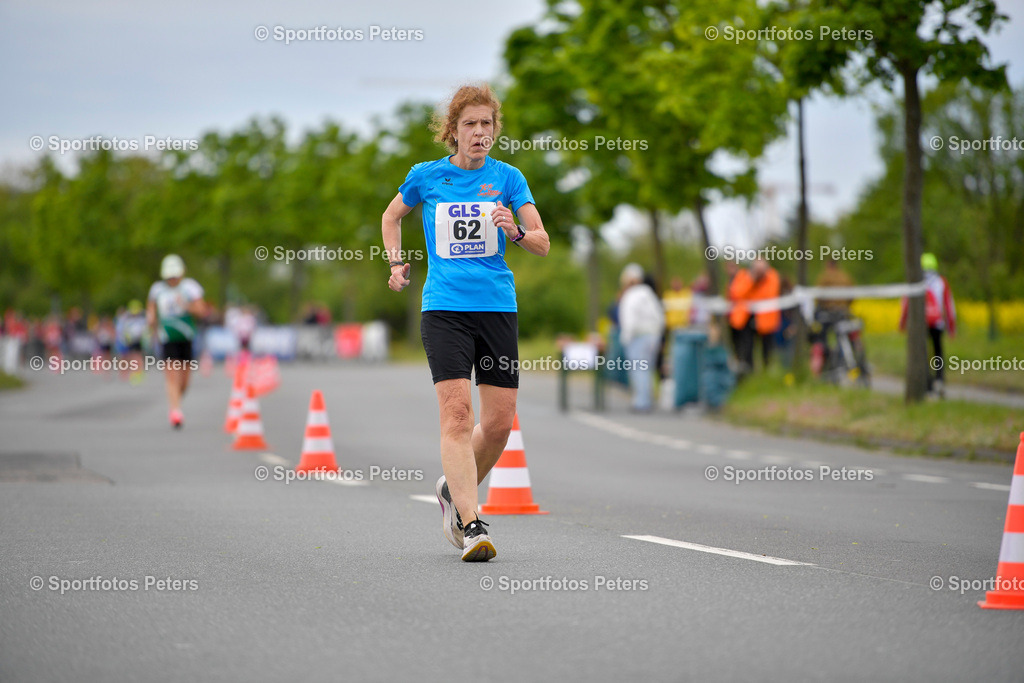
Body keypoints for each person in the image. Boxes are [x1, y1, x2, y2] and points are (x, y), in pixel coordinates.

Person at [381, 84, 550, 562]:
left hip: (497, 307)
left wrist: (514, 230)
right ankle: (471, 523)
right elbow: (391, 217)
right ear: (452, 131)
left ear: (496, 130)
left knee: (498, 425)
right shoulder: (426, 176)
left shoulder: (509, 178)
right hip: (445, 308)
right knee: (458, 415)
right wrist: (395, 264)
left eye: (487, 125)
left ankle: (452, 488)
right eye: (470, 124)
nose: (479, 133)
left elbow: (542, 242)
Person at [147, 254, 208, 428]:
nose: (172, 279)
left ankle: (176, 403)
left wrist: (186, 305)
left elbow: (202, 311)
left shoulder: (190, 288)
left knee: (185, 381)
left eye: (175, 276)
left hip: (186, 336)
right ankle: (175, 410)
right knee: (172, 375)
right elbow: (151, 310)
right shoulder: (157, 290)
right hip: (167, 337)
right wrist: (151, 321)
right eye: (169, 276)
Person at [900, 253, 956, 397]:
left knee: (922, 353)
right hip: (937, 323)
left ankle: (927, 381)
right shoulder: (941, 282)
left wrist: (902, 323)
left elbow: (906, 304)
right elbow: (949, 306)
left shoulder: (914, 281)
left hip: (921, 324)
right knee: (937, 352)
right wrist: (951, 327)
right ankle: (939, 379)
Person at [618, 264, 665, 412]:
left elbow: (629, 320)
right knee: (647, 368)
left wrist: (626, 338)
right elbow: (660, 317)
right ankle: (646, 399)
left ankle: (641, 402)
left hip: (638, 337)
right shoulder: (648, 293)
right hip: (653, 336)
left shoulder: (631, 295)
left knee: (638, 369)